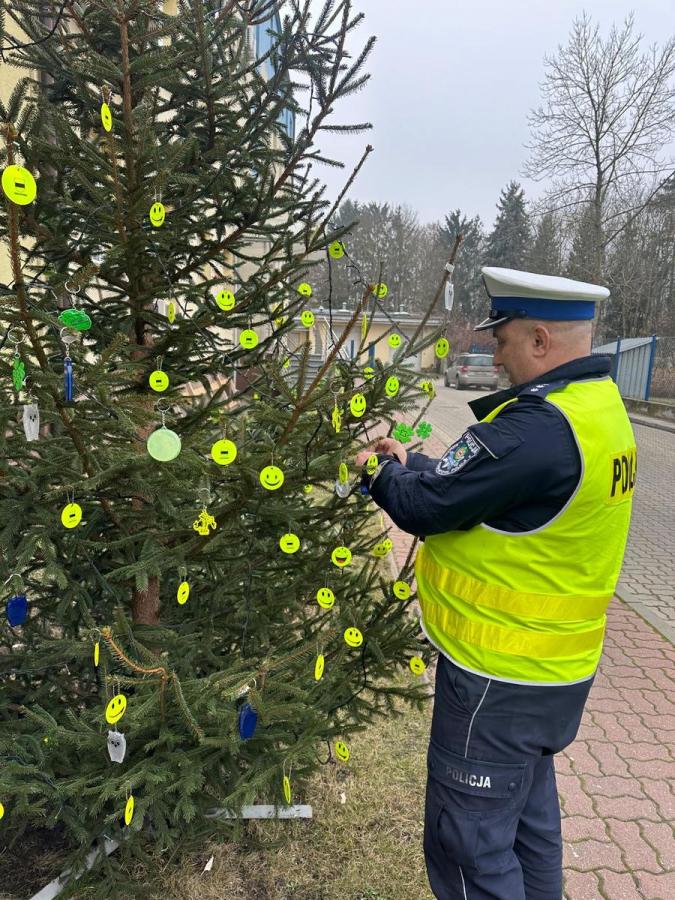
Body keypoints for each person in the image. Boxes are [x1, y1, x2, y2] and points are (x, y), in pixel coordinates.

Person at [355, 267, 637, 900]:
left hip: (496, 679)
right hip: (555, 676)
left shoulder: (535, 428)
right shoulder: (598, 409)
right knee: (530, 830)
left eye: (502, 341)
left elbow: (428, 507)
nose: (496, 357)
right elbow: (486, 487)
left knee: (470, 850)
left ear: (539, 340)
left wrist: (376, 472)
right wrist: (415, 461)